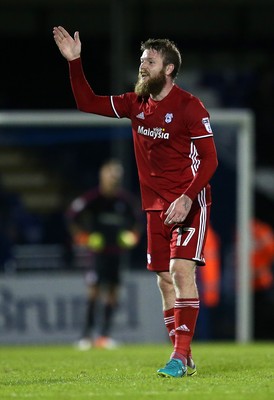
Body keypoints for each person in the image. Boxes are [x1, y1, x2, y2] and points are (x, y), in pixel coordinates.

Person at [53, 26, 218, 377]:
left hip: (190, 202)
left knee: (180, 270)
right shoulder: (135, 103)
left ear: (168, 69)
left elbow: (210, 159)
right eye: (141, 60)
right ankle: (183, 355)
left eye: (150, 61)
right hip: (155, 206)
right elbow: (86, 102)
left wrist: (188, 198)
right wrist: (75, 62)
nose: (142, 66)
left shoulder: (190, 106)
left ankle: (179, 355)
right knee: (163, 279)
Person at [66, 159, 142, 349]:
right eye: (111, 174)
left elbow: (138, 220)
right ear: (103, 176)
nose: (114, 179)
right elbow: (71, 216)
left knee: (113, 295)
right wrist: (83, 237)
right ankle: (85, 336)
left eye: (117, 175)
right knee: (93, 293)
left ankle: (104, 336)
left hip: (116, 253)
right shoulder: (93, 199)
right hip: (97, 254)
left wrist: (133, 236)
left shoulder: (125, 201)